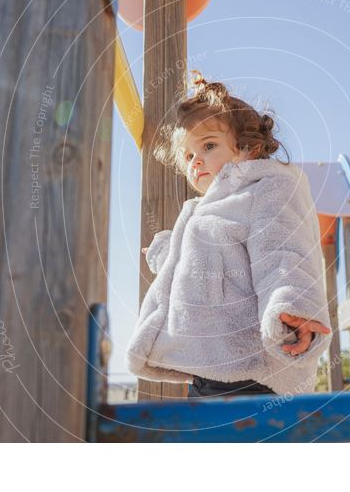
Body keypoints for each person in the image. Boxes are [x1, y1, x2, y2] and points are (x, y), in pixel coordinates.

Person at [126, 71, 332, 399]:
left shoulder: (268, 189)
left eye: (208, 146)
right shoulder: (203, 211)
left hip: (252, 371)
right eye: (189, 156)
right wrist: (165, 251)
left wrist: (292, 307)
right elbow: (204, 269)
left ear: (248, 148)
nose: (196, 162)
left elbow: (283, 251)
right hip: (208, 371)